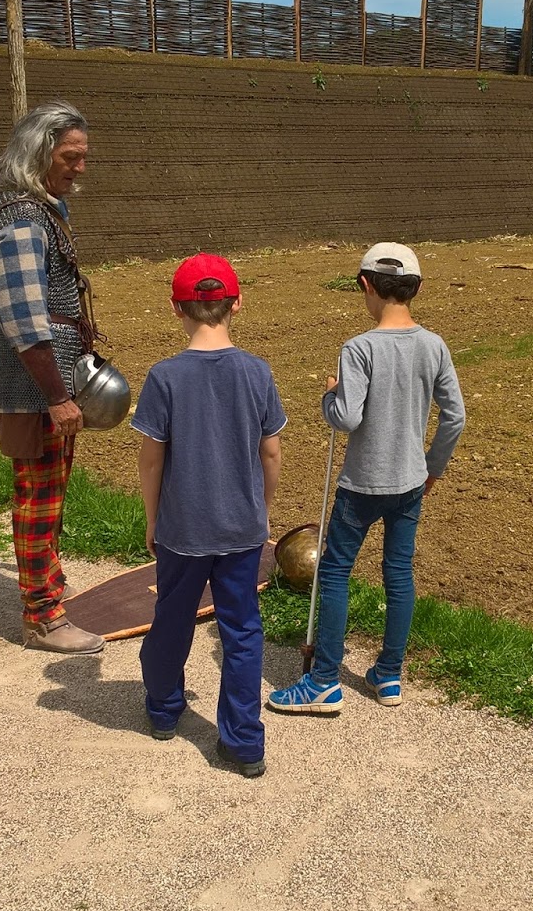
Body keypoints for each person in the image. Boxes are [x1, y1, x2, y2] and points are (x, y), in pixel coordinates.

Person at [268, 242, 465, 715]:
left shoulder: (358, 349)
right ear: (416, 288)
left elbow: (347, 418)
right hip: (410, 483)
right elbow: (455, 416)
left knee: (335, 571)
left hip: (361, 485)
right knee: (398, 573)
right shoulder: (434, 345)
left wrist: (329, 397)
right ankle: (389, 674)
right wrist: (432, 467)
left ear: (364, 285)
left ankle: (323, 681)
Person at [133, 254, 285, 777]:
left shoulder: (164, 377)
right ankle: (243, 743)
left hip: (183, 529)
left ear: (176, 308)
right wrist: (262, 509)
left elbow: (151, 460)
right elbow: (271, 453)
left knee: (171, 620)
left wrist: (152, 519)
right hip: (243, 528)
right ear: (236, 304)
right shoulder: (257, 372)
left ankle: (163, 710)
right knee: (241, 630)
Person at [0, 101, 106, 654]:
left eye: (82, 156)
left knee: (50, 491)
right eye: (70, 156)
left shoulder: (39, 211)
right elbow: (24, 320)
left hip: (49, 380)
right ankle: (43, 617)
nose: (80, 167)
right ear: (39, 153)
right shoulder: (22, 223)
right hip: (34, 385)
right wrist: (55, 395)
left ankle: (46, 581)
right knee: (38, 499)